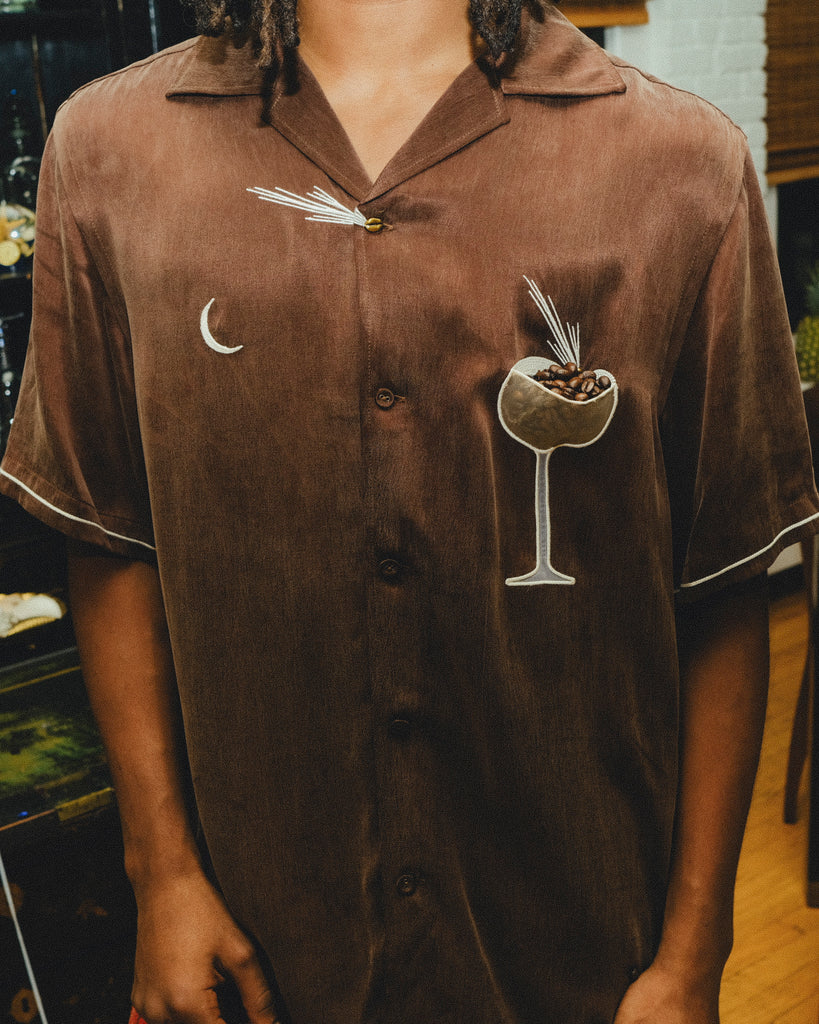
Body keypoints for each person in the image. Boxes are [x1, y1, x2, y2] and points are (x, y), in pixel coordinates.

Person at [1, 1, 817, 1022]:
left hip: (579, 953)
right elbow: (109, 531)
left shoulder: (681, 162)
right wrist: (160, 869)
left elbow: (722, 579)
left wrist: (696, 951)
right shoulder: (116, 148)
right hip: (261, 954)